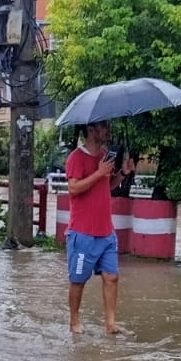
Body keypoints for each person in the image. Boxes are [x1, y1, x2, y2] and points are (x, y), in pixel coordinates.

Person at [64, 120, 135, 335]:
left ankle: (110, 324)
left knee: (112, 277)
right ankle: (74, 321)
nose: (108, 130)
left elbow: (107, 184)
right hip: (83, 233)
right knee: (78, 280)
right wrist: (98, 172)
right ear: (92, 130)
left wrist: (122, 174)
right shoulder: (76, 157)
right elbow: (74, 188)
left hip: (106, 232)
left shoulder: (105, 154)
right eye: (104, 127)